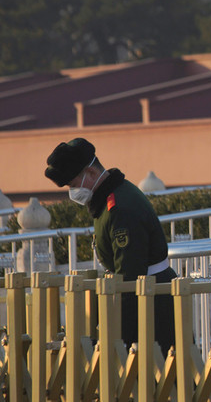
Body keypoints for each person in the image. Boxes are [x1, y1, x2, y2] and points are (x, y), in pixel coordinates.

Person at [44, 137, 176, 352]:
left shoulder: (120, 208)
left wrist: (118, 332)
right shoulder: (110, 200)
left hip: (150, 302)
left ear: (92, 173)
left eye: (74, 185)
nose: (73, 192)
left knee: (159, 378)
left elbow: (130, 275)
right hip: (146, 295)